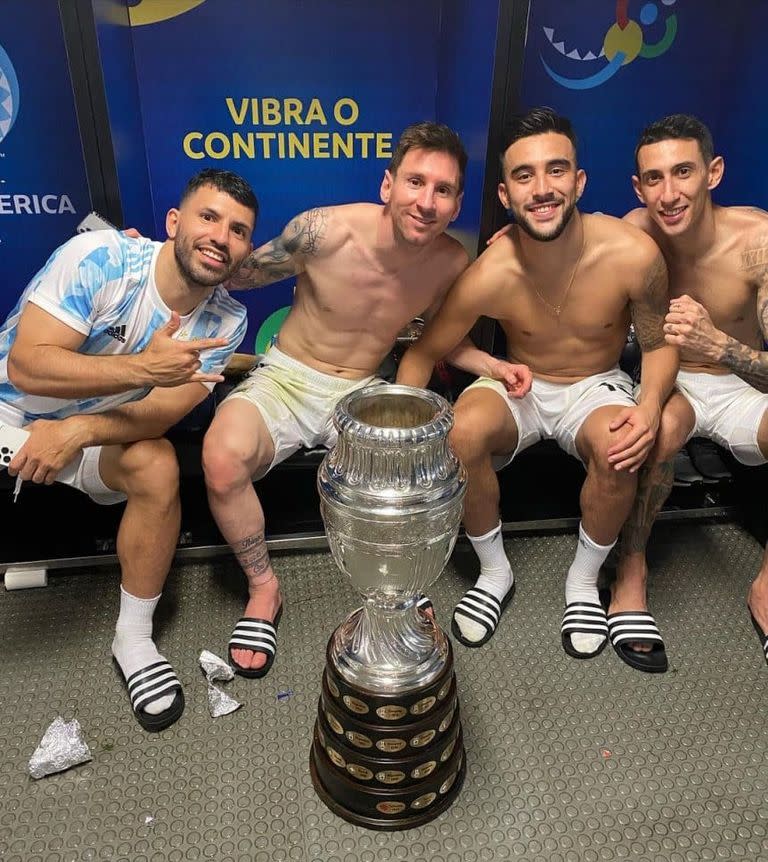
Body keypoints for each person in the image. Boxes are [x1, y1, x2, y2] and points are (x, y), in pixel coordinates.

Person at [202, 121, 531, 678]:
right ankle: (263, 589)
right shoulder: (323, 231)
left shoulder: (452, 263)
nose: (426, 202)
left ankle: (396, 589)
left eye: (443, 190)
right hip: (286, 376)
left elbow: (446, 336)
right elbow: (237, 274)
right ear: (388, 185)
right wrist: (161, 257)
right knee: (220, 459)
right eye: (415, 182)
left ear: (455, 206)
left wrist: (495, 365)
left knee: (414, 472)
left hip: (360, 388)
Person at [396, 107, 678, 660]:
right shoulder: (491, 272)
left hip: (595, 384)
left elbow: (659, 344)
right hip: (520, 383)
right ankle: (494, 573)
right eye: (524, 176)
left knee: (622, 443)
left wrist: (648, 408)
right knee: (461, 433)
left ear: (580, 181)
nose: (542, 188)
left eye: (556, 170)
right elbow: (428, 349)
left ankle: (582, 581)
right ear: (505, 194)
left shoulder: (632, 253)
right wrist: (406, 435)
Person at [0, 168, 258, 730]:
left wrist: (78, 431)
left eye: (238, 230)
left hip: (90, 431)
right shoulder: (101, 257)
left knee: (157, 463)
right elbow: (26, 364)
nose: (221, 236)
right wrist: (142, 366)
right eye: (208, 217)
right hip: (7, 413)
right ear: (175, 222)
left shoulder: (226, 320)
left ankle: (134, 639)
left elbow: (162, 414)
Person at [608, 113, 768, 672]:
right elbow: (568, 247)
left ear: (713, 172)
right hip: (674, 379)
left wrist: (720, 345)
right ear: (638, 186)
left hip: (745, 380)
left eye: (683, 172)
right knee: (657, 430)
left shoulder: (757, 242)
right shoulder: (634, 229)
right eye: (654, 178)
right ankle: (631, 572)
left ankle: (767, 589)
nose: (669, 194)